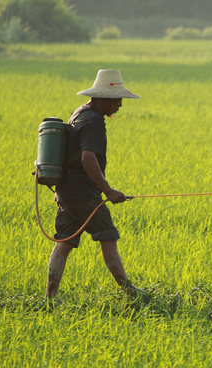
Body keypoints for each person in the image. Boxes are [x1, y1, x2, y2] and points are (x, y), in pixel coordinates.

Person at [45, 69, 144, 299]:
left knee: (64, 242)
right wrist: (108, 191)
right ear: (104, 98)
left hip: (67, 192)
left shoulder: (80, 113)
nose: (120, 105)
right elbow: (87, 158)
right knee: (108, 236)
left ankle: (50, 298)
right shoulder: (93, 122)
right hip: (83, 194)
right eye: (117, 99)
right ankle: (130, 294)